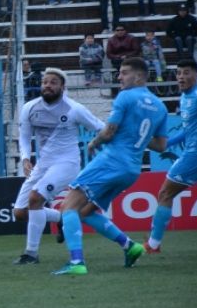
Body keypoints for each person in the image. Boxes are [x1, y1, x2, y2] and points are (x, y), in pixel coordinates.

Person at [53, 57, 168, 276]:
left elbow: (108, 131)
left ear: (139, 76)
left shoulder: (125, 96)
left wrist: (93, 142)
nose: (119, 77)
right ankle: (130, 246)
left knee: (68, 207)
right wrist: (136, 137)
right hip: (132, 169)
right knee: (85, 212)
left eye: (124, 72)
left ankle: (76, 262)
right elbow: (161, 145)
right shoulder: (160, 107)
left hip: (111, 160)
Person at [13, 68, 105, 265]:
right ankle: (63, 218)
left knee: (35, 199)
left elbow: (101, 127)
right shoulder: (29, 107)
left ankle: (31, 253)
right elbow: (24, 136)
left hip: (66, 163)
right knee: (20, 212)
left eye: (53, 82)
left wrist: (98, 144)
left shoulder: (74, 109)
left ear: (62, 87)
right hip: (43, 164)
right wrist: (25, 158)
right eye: (45, 82)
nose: (48, 85)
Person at [145, 59, 197, 253]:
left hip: (194, 155)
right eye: (178, 73)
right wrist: (168, 143)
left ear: (196, 74)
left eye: (186, 73)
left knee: (165, 193)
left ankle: (153, 244)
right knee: (166, 193)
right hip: (191, 152)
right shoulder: (185, 98)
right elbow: (188, 130)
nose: (181, 77)